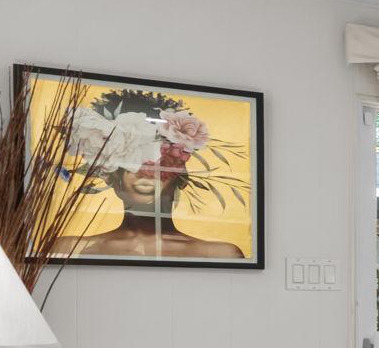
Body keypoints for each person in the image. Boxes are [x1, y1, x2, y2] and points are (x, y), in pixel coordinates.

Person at [62, 89, 247, 261]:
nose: (146, 170)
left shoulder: (220, 254)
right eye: (132, 157)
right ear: (108, 173)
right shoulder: (68, 248)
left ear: (181, 173)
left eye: (160, 157)